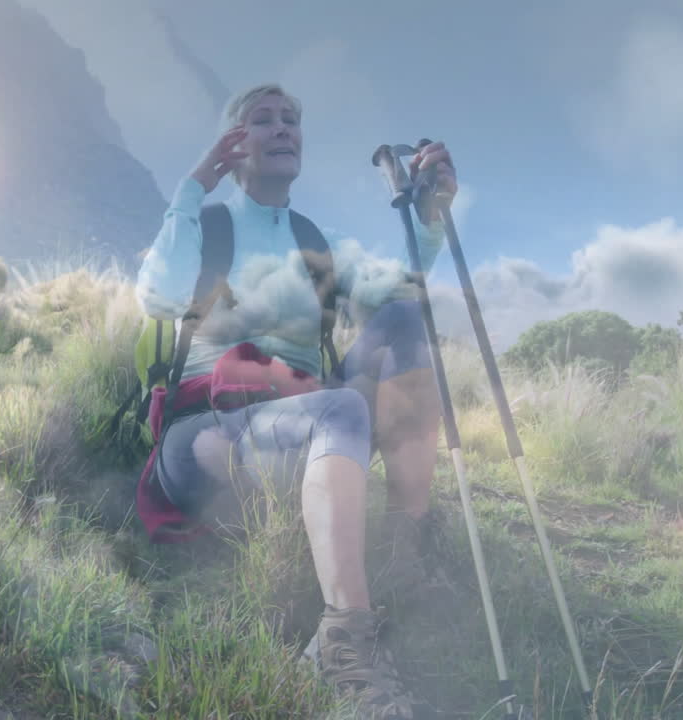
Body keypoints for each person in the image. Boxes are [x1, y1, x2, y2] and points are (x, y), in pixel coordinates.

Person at [135, 83, 458, 719]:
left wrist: (428, 216)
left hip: (302, 425)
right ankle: (341, 645)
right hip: (204, 438)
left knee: (403, 320)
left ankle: (404, 549)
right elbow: (160, 296)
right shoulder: (206, 225)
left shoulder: (317, 240)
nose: (283, 128)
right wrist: (194, 188)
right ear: (233, 143)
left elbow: (399, 289)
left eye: (291, 119)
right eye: (263, 119)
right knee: (341, 409)